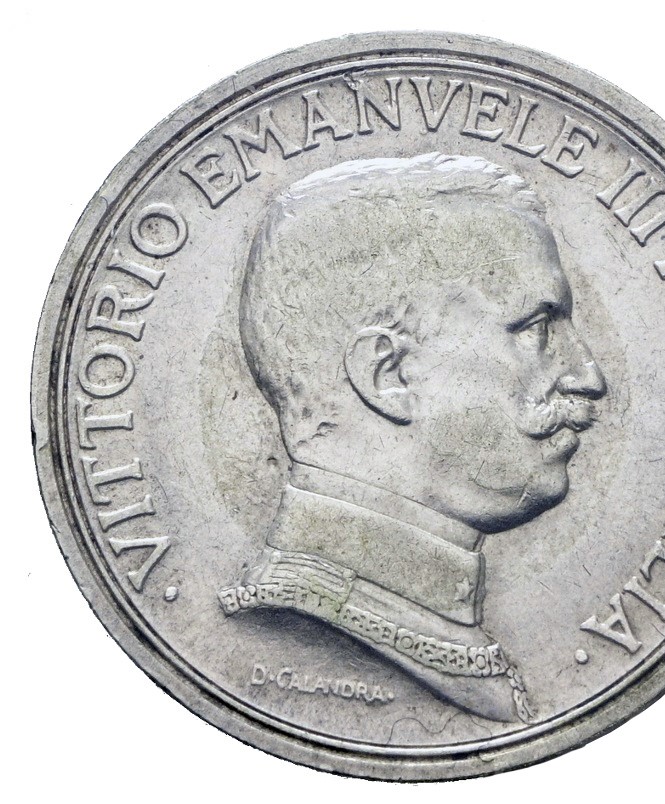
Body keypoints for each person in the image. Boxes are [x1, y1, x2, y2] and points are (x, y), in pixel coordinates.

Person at [218, 153, 607, 723]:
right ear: (390, 376)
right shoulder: (300, 635)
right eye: (535, 328)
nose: (589, 378)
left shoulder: (436, 633)